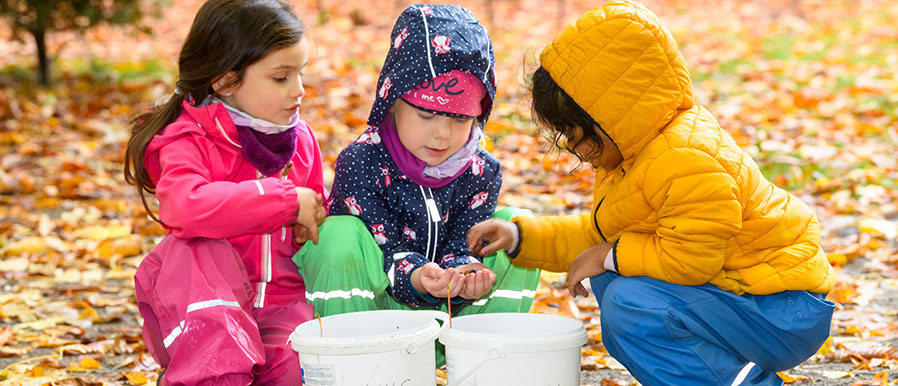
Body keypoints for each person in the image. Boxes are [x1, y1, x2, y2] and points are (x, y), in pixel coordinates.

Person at [467, 1, 836, 385]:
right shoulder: (635, 153)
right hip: (746, 298)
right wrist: (520, 238)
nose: (577, 153)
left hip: (781, 309)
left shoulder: (686, 157)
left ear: (612, 114)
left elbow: (691, 261)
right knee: (616, 283)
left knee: (631, 303)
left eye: (579, 139)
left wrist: (607, 256)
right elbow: (600, 234)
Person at [294, 4, 540, 322]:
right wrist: (417, 277)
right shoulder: (362, 162)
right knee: (337, 234)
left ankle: (484, 354)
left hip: (449, 314)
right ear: (393, 100)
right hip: (379, 311)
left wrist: (464, 273)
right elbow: (383, 249)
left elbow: (463, 242)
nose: (441, 135)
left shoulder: (481, 170)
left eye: (460, 119)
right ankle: (354, 357)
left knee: (516, 228)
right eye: (426, 115)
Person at [123, 0, 326, 384]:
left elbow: (313, 219)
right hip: (206, 315)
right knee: (198, 244)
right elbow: (184, 208)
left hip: (281, 311)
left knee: (302, 367)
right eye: (281, 78)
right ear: (225, 81)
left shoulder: (300, 142)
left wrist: (313, 220)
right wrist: (283, 201)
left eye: (300, 74)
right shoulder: (188, 139)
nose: (299, 90)